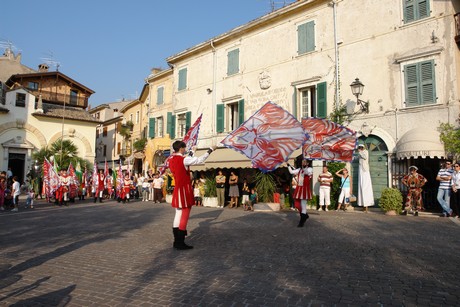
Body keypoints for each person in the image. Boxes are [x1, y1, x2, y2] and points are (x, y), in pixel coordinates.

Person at [168, 140, 215, 250]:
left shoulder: (171, 159)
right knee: (185, 213)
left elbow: (186, 160)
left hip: (177, 189)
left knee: (178, 214)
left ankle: (176, 241)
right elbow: (198, 160)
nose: (185, 150)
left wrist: (192, 152)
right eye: (184, 148)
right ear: (181, 148)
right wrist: (210, 150)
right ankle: (180, 242)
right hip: (184, 189)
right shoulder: (184, 159)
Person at [287, 159, 313, 227]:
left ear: (307, 163)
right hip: (299, 188)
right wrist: (288, 166)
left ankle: (302, 221)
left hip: (305, 189)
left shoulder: (310, 169)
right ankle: (305, 215)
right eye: (302, 161)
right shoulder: (299, 169)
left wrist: (303, 168)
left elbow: (307, 172)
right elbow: (291, 172)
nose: (303, 163)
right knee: (297, 204)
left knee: (303, 205)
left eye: (304, 162)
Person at [356, 144, 374, 212]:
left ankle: (367, 205)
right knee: (361, 187)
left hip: (365, 170)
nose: (359, 149)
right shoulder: (360, 153)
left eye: (360, 148)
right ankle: (363, 205)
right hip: (360, 170)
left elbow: (365, 157)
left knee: (366, 187)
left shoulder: (365, 152)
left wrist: (360, 152)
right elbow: (356, 158)